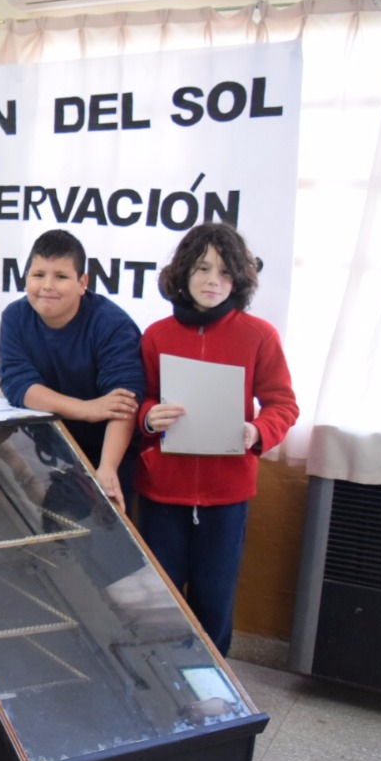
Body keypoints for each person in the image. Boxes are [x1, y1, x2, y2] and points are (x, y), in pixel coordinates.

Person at [136, 222, 298, 655]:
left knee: (213, 603)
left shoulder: (259, 335)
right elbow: (142, 398)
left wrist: (257, 430)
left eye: (226, 273)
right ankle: (161, 692)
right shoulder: (156, 335)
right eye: (203, 268)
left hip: (226, 496)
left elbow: (283, 404)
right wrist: (149, 416)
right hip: (161, 494)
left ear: (240, 280)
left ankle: (215, 702)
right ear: (183, 273)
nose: (213, 281)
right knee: (159, 603)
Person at [0, 229, 145, 512]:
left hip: (111, 453)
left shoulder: (112, 324)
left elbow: (124, 403)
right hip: (55, 450)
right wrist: (87, 409)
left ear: (82, 283)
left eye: (61, 276)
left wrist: (107, 469)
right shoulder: (14, 317)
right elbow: (20, 387)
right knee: (57, 533)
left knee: (108, 539)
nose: (47, 286)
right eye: (38, 275)